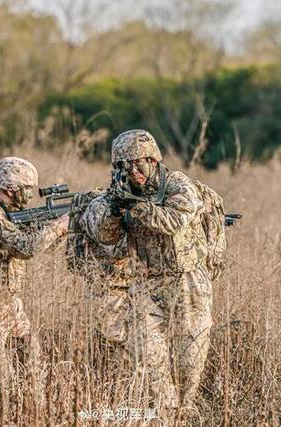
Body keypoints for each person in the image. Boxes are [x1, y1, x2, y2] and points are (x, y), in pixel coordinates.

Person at [80, 129, 213, 412]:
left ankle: (184, 409)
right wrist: (115, 210)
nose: (131, 171)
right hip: (146, 285)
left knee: (190, 359)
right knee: (149, 359)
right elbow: (104, 236)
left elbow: (173, 221)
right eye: (122, 166)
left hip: (187, 281)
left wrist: (135, 207)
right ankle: (164, 413)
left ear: (153, 161)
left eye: (137, 163)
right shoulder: (119, 192)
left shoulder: (180, 186)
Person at [0, 157, 68, 366]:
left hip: (11, 303)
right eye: (26, 189)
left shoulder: (10, 215)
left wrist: (61, 231)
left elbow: (40, 246)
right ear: (11, 189)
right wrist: (59, 225)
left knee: (31, 357)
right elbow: (26, 248)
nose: (30, 195)